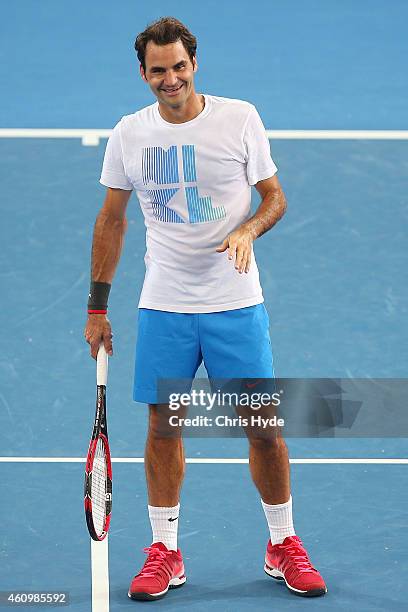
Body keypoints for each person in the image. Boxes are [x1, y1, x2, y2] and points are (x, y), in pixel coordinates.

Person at [84, 16, 327, 601]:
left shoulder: (239, 119)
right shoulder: (129, 135)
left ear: (194, 65)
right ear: (144, 73)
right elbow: (112, 219)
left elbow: (274, 197)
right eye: (157, 70)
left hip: (235, 305)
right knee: (164, 428)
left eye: (178, 67)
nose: (170, 79)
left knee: (263, 430)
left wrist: (247, 231)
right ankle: (165, 550)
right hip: (164, 306)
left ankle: (282, 543)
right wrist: (98, 305)